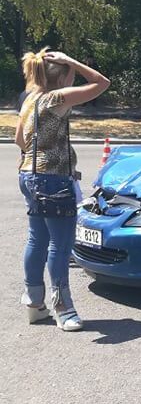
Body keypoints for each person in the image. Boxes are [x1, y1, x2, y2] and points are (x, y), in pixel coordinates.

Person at [16, 49, 110, 331]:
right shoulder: (57, 97)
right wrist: (72, 60)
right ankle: (63, 307)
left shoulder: (30, 97)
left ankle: (34, 301)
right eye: (69, 72)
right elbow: (101, 83)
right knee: (61, 244)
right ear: (64, 75)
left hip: (28, 174)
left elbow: (19, 139)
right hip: (53, 179)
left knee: (37, 240)